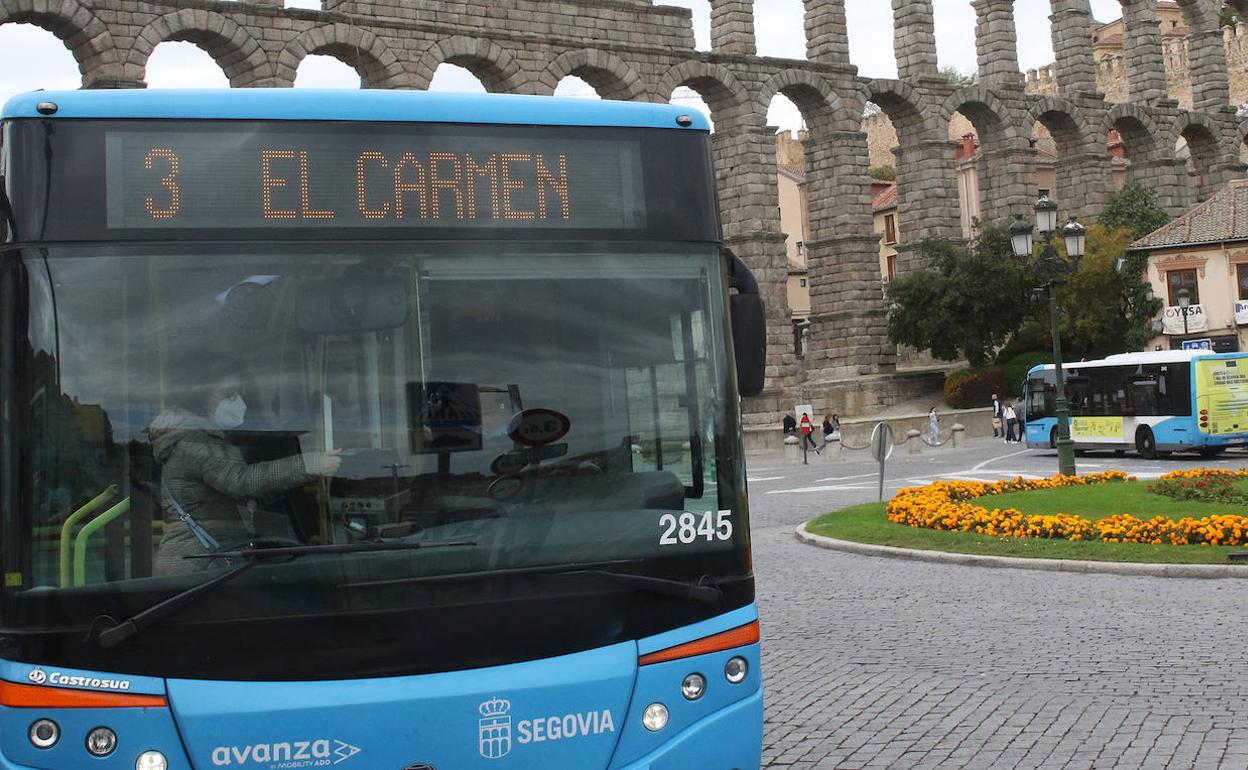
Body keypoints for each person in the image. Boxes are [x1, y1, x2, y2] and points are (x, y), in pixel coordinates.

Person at [150, 357, 342, 575]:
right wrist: (308, 465)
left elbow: (240, 497)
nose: (239, 401)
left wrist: (296, 481)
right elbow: (241, 482)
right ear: (202, 396)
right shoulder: (195, 442)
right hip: (196, 566)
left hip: (205, 559)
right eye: (229, 394)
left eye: (240, 392)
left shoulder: (198, 438)